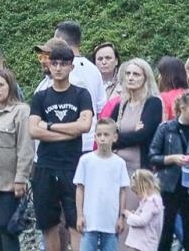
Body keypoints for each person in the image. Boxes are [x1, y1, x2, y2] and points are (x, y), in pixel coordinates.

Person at [31, 42, 96, 251]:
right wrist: (69, 132)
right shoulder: (41, 97)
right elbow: (33, 130)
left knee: (75, 221)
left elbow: (84, 126)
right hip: (46, 165)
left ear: (71, 66)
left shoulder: (81, 94)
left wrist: (50, 126)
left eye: (63, 64)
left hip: (72, 165)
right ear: (49, 65)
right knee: (48, 224)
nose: (58, 68)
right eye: (55, 63)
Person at [148, 87, 189, 251]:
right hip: (169, 186)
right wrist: (172, 159)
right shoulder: (166, 128)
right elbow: (153, 156)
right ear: (182, 108)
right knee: (165, 232)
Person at [74, 120, 130, 251]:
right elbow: (80, 189)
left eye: (106, 134)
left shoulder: (119, 163)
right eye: (99, 135)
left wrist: (121, 217)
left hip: (111, 222)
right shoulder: (85, 160)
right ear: (94, 137)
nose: (102, 138)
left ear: (114, 137)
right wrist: (80, 215)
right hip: (90, 220)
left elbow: (122, 191)